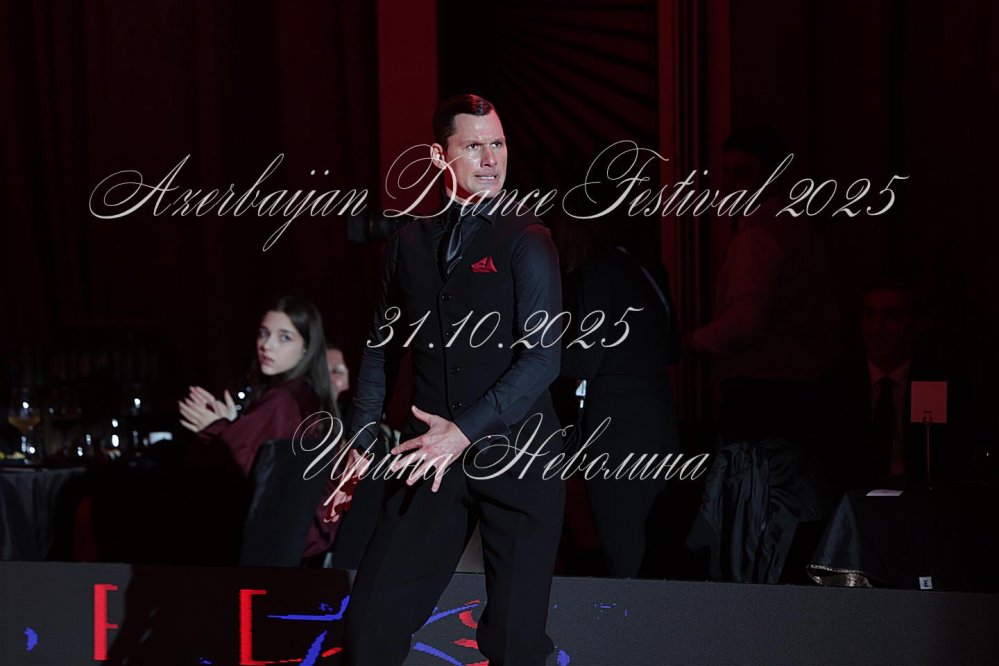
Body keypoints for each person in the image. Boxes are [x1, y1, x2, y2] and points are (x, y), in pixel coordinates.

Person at [332, 94, 565, 666]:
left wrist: (461, 432)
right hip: (429, 458)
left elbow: (543, 359)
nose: (490, 159)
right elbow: (381, 349)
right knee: (371, 625)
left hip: (517, 456)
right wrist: (361, 441)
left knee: (511, 644)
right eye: (474, 146)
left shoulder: (527, 237)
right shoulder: (409, 242)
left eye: (498, 144)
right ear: (440, 156)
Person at [689, 126, 840, 439]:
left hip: (761, 394)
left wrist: (692, 341)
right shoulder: (798, 227)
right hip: (801, 390)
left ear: (772, 176)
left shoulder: (758, 235)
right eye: (725, 171)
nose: (728, 184)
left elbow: (746, 322)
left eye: (741, 173)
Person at [559, 217, 682, 578]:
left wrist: (529, 351)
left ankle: (631, 615)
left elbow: (586, 360)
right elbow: (673, 349)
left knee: (623, 550)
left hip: (617, 426)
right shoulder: (649, 270)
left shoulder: (598, 271)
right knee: (656, 545)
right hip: (659, 416)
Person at [179, 296, 338, 560]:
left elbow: (244, 468)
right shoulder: (305, 394)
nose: (267, 345)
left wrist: (215, 429)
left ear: (306, 348)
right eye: (263, 334)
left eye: (284, 337)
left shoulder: (283, 400)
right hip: (300, 538)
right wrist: (232, 425)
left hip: (276, 541)